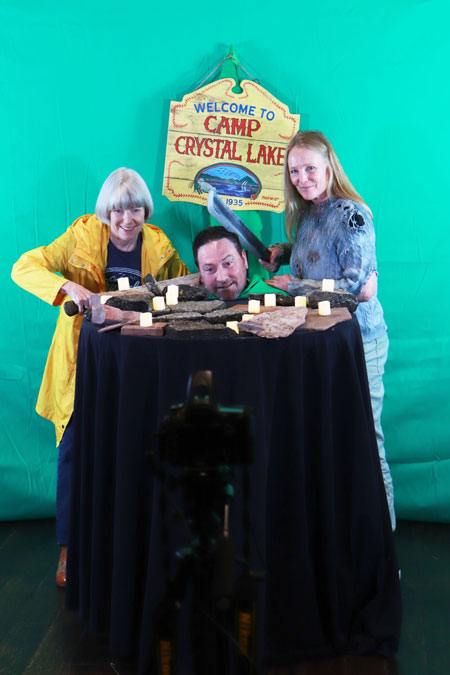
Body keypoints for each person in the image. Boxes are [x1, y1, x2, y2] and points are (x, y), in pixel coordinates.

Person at [11, 167, 189, 586]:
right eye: (118, 209)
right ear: (106, 211)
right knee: (74, 449)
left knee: (142, 445)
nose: (126, 219)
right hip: (85, 362)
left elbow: (181, 286)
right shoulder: (82, 237)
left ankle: (140, 542)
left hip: (138, 363)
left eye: (135, 209)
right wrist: (66, 288)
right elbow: (24, 266)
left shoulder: (159, 245)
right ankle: (69, 548)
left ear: (145, 210)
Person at [261, 130, 395, 529]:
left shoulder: (353, 213)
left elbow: (357, 288)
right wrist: (282, 253)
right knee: (326, 441)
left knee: (367, 443)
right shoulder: (308, 213)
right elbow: (317, 250)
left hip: (360, 342)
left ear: (329, 166)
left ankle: (384, 552)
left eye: (310, 169)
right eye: (295, 171)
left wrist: (295, 285)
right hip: (322, 342)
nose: (302, 178)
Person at [193, 225, 288, 301]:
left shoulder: (279, 297)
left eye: (228, 263)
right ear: (200, 273)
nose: (222, 278)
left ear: (244, 259)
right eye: (210, 269)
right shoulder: (192, 302)